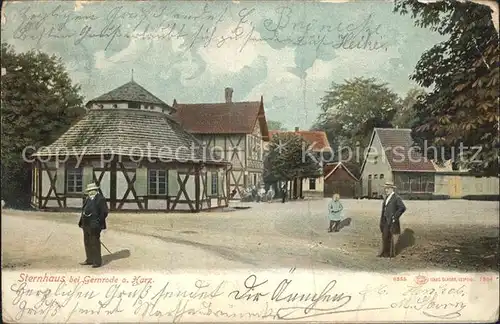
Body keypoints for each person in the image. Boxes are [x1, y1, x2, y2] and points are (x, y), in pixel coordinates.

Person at [78, 183, 109, 268]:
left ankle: (97, 262)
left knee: (94, 242)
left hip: (95, 225)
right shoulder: (87, 199)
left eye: (92, 190)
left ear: (96, 190)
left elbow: (104, 212)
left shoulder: (100, 199)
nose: (90, 192)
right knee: (87, 242)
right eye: (89, 191)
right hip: (86, 224)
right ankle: (89, 259)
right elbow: (84, 210)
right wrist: (81, 222)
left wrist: (98, 222)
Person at [378, 181, 406, 258]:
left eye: (387, 188)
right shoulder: (387, 197)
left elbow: (402, 207)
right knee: (385, 236)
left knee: (389, 236)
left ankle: (389, 254)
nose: (386, 190)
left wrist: (395, 216)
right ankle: (384, 252)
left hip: (391, 220)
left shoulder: (396, 198)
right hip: (385, 219)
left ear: (392, 189)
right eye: (385, 188)